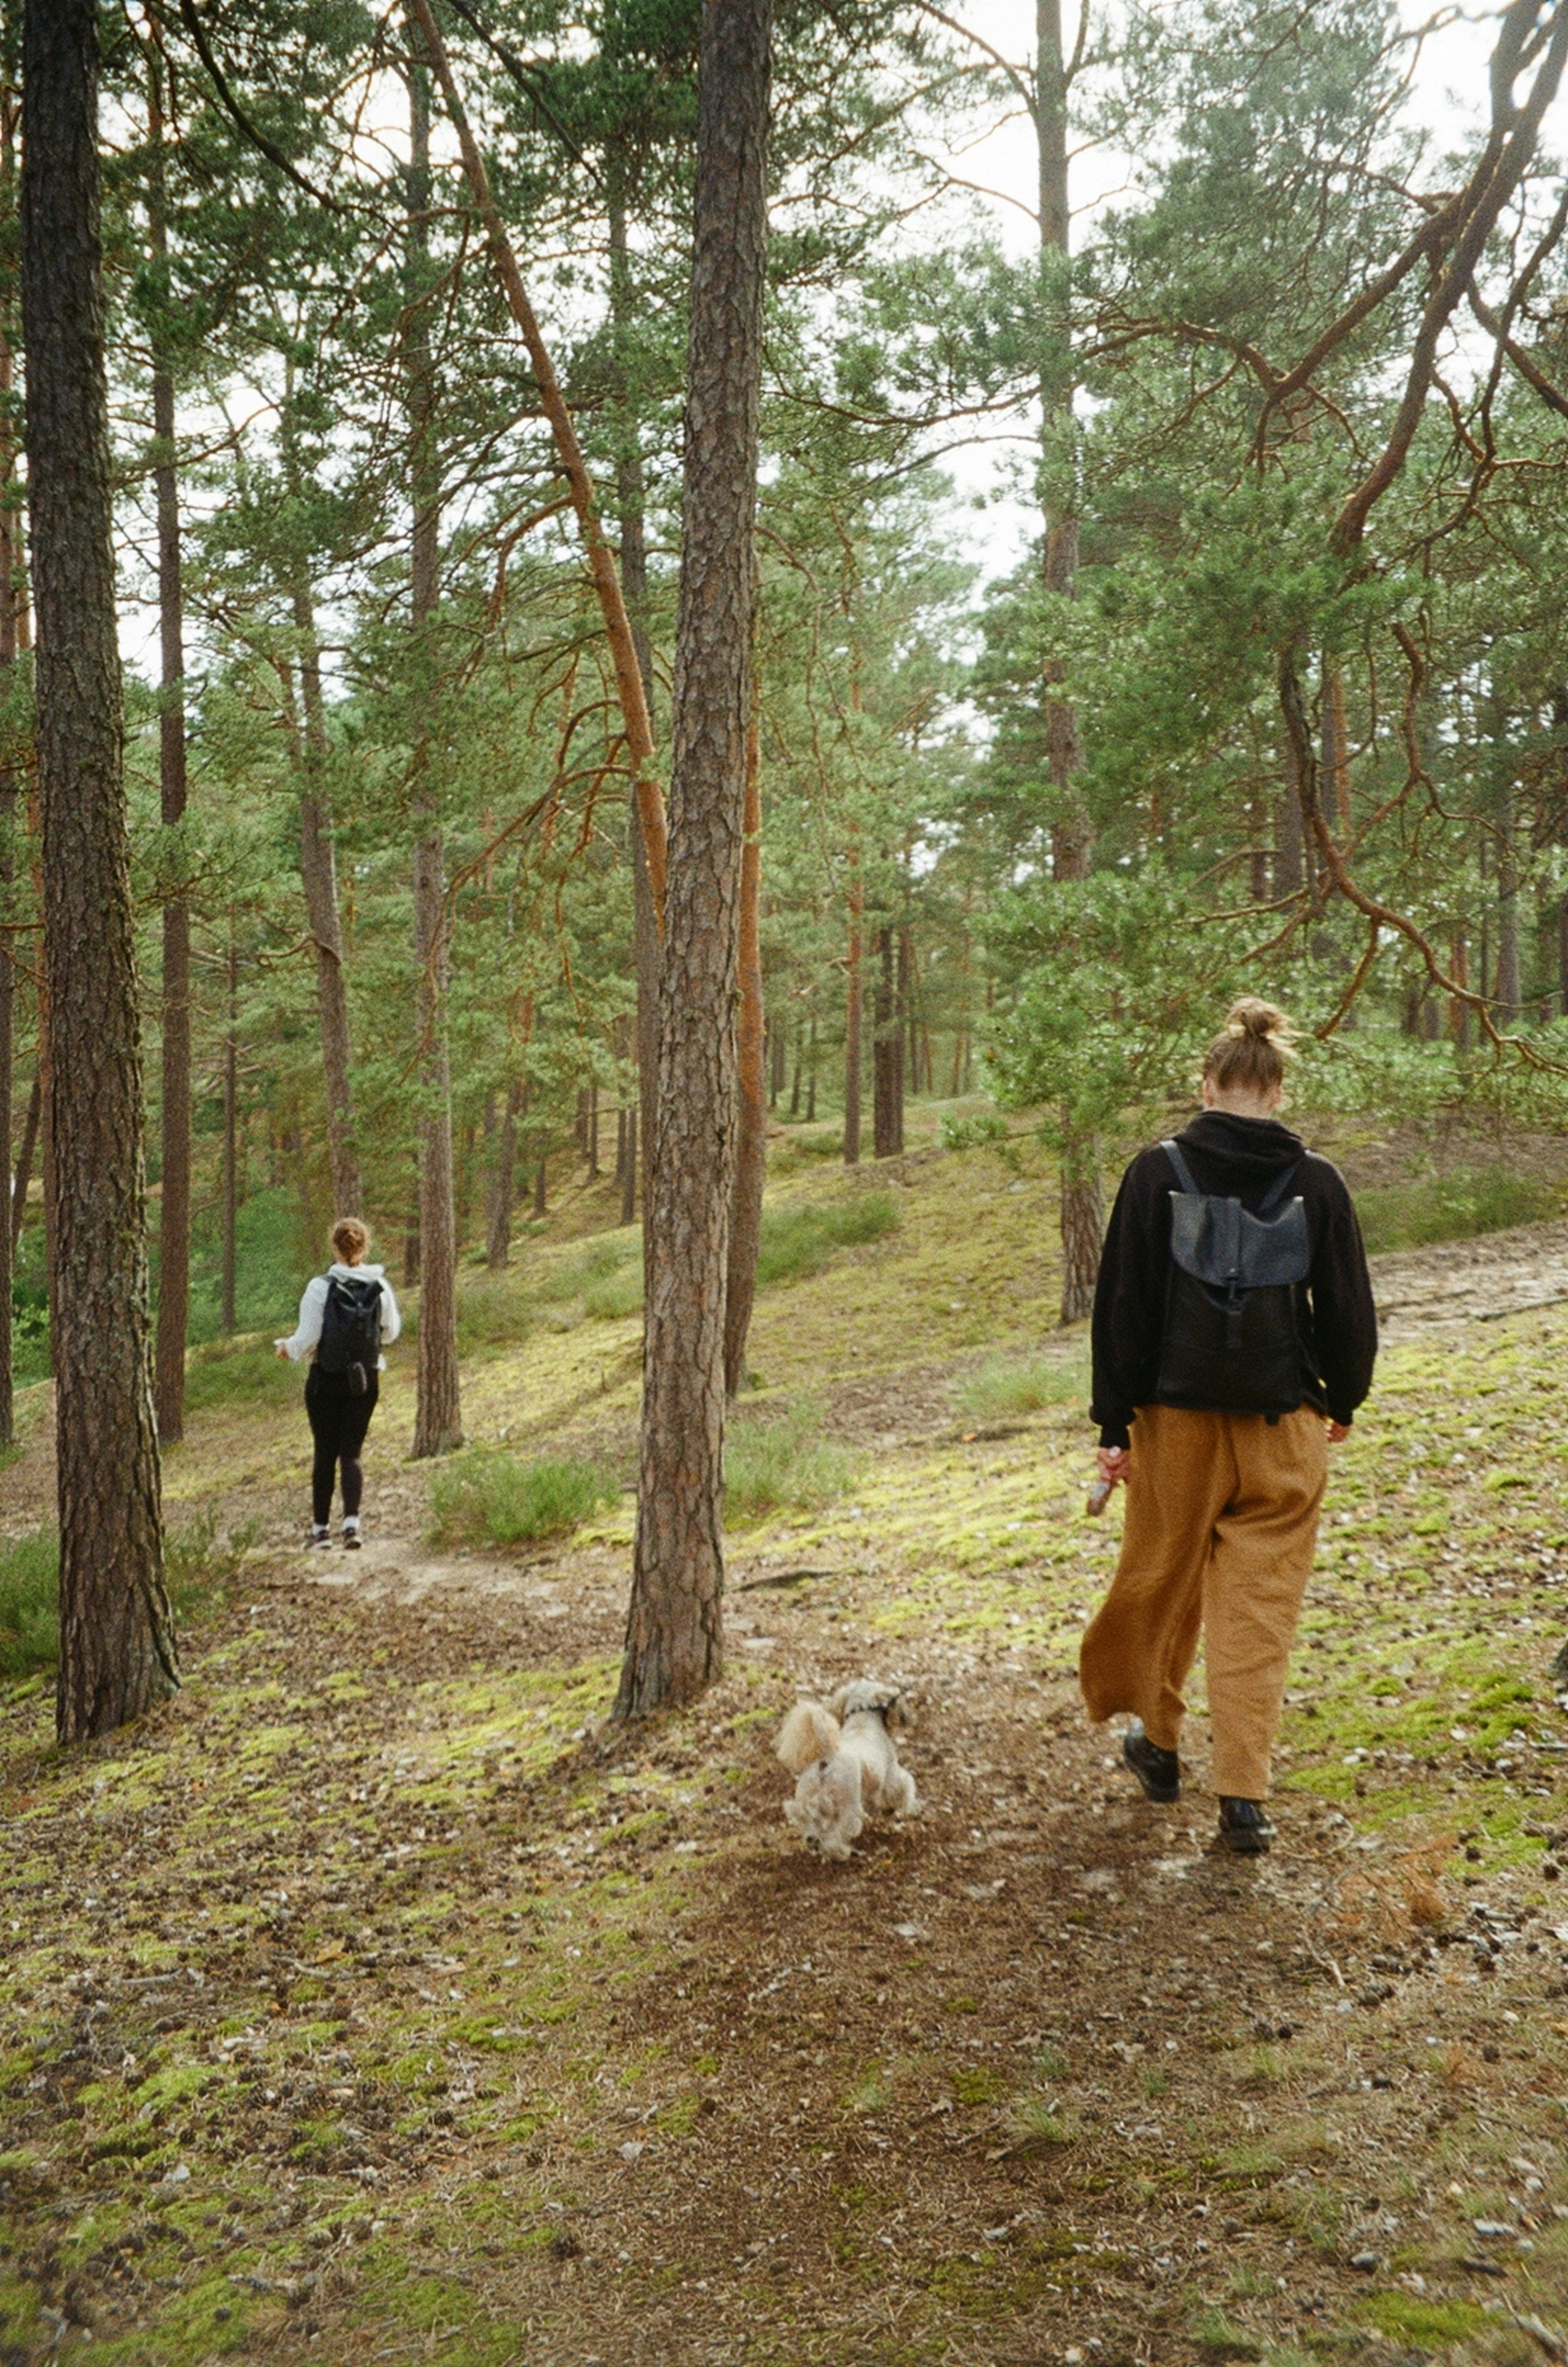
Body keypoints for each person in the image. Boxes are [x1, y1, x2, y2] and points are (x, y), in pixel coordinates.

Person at [1080, 999, 1376, 1854]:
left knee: (1162, 1577)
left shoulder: (1154, 1171)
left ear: (1206, 1084)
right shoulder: (1317, 1181)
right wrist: (1343, 1400)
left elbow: (1123, 1310)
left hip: (1172, 1423)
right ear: (1276, 1089)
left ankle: (1161, 1748)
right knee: (1258, 1610)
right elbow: (1347, 1309)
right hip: (1282, 1422)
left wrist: (1112, 1422)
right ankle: (1242, 1797)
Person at [275, 1217, 401, 1550]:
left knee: (325, 1453)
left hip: (326, 1380)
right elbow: (391, 1333)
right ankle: (352, 1526)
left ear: (335, 1247)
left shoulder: (320, 1287)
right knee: (352, 1452)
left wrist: (287, 1349)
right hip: (365, 1380)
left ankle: (320, 1532)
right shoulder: (382, 1287)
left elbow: (308, 1338)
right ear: (364, 1247)